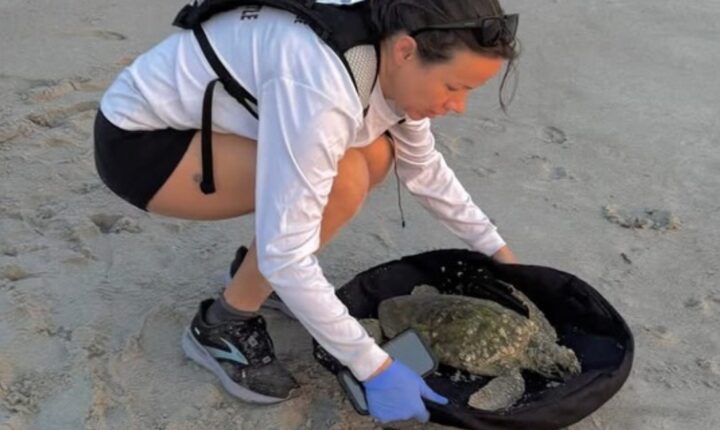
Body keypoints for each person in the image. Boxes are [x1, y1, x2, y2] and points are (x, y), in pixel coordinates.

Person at [93, 0, 519, 423]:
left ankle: (255, 278)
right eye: (454, 87)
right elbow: (287, 253)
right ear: (406, 51)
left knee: (374, 152)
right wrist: (377, 368)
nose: (458, 107)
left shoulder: (391, 41)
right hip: (146, 146)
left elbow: (423, 170)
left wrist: (503, 256)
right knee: (343, 179)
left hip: (222, 126)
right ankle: (222, 325)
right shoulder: (322, 84)